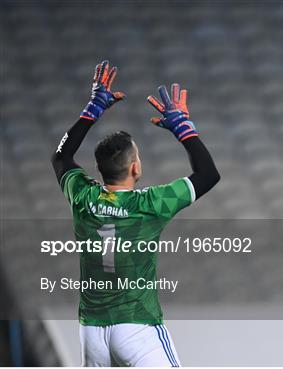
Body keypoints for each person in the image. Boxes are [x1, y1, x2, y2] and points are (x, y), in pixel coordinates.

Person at [51, 60, 220, 366]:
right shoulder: (149, 205)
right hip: (136, 328)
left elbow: (62, 155)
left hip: (92, 331)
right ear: (134, 167)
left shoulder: (82, 196)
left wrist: (93, 109)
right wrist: (184, 129)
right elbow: (208, 175)